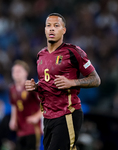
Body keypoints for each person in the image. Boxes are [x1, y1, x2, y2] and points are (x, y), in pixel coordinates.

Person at [25, 13, 101, 150]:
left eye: (56, 25)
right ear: (45, 29)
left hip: (67, 114)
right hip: (48, 116)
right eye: (48, 26)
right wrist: (36, 86)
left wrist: (72, 82)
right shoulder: (40, 55)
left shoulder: (74, 52)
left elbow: (96, 80)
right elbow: (47, 81)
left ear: (64, 30)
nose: (52, 29)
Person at [9, 60, 42, 150]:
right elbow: (14, 105)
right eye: (14, 71)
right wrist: (13, 119)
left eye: (19, 71)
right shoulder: (12, 89)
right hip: (20, 129)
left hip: (33, 129)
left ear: (25, 73)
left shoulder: (31, 87)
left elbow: (45, 103)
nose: (16, 73)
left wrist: (36, 116)